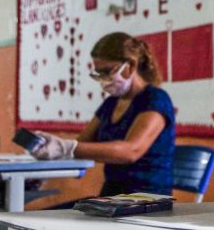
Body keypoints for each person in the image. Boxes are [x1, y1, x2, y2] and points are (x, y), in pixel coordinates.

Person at [32, 32, 175, 196]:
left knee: (50, 220)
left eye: (107, 71)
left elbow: (131, 151)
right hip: (112, 197)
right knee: (45, 218)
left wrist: (66, 147)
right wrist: (48, 160)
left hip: (147, 199)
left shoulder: (156, 99)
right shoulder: (111, 103)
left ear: (131, 66)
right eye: (99, 73)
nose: (103, 79)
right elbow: (81, 144)